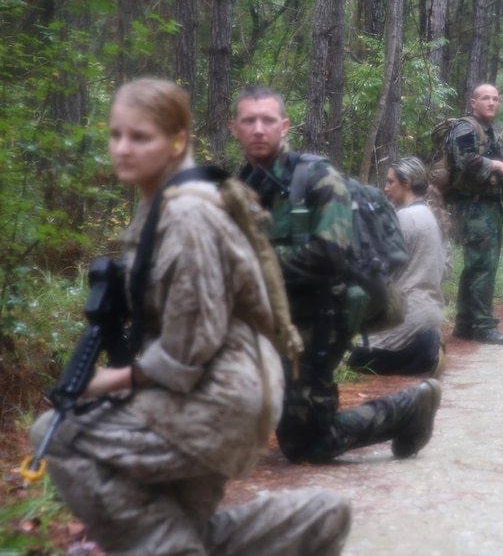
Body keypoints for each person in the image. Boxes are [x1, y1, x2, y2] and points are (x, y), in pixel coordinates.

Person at [30, 79, 350, 554]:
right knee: (182, 528)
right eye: (116, 135)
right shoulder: (163, 205)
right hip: (226, 391)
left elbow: (186, 353)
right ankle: (315, 518)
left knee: (56, 434)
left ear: (177, 141)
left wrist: (99, 383)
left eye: (141, 138)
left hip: (216, 400)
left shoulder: (187, 217)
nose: (123, 149)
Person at [231, 84, 441, 463]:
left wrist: (249, 265)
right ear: (235, 128)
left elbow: (329, 254)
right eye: (249, 121)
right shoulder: (241, 187)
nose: (258, 129)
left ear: (285, 126)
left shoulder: (315, 177)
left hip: (327, 311)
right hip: (275, 315)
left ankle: (409, 407)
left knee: (308, 444)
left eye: (267, 120)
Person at [347, 157, 450, 376]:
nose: (385, 187)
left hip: (405, 321)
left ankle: (419, 356)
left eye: (390, 181)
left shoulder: (403, 217)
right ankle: (427, 353)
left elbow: (376, 270)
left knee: (355, 363)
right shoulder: (434, 216)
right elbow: (446, 269)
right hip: (431, 318)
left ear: (407, 182)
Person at [447, 83, 503, 344]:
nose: (491, 102)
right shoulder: (465, 128)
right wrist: (496, 164)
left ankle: (465, 324)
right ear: (473, 102)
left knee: (475, 266)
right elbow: (465, 160)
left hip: (487, 207)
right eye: (485, 98)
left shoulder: (490, 132)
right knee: (483, 267)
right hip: (474, 208)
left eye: (496, 99)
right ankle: (484, 326)